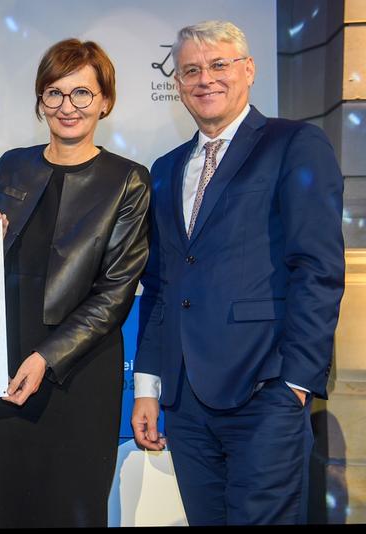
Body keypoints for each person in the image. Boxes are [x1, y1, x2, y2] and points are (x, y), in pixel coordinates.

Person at [132, 20, 345, 525]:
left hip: (266, 390)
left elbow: (316, 269)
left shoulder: (294, 144)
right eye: (191, 70)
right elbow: (161, 285)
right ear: (178, 84)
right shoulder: (164, 168)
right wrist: (148, 387)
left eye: (218, 65)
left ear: (248, 70)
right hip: (185, 404)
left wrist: (297, 381)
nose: (205, 79)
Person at [0, 38, 151, 528]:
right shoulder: (10, 165)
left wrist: (47, 357)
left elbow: (115, 293)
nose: (68, 107)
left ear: (105, 100)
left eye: (82, 94)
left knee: (69, 507)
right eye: (54, 93)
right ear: (40, 100)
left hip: (78, 371)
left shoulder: (128, 180)